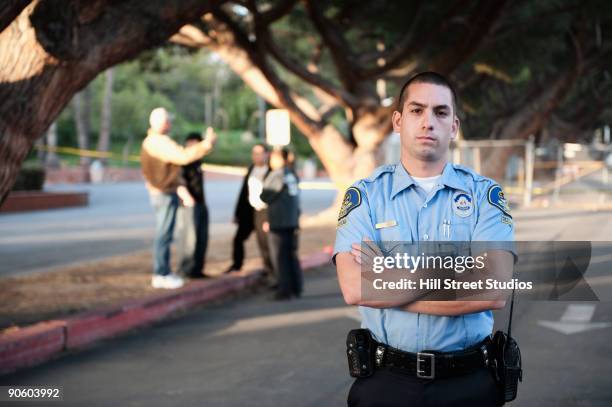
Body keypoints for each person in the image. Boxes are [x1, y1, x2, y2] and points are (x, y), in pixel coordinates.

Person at [334, 72, 515, 406]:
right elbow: (355, 287)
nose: (428, 122)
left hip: (468, 384)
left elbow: (494, 288)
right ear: (398, 122)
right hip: (386, 383)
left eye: (440, 112)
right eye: (417, 111)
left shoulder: (486, 195)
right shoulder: (366, 196)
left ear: (454, 126)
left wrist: (388, 277)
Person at [141, 107, 217, 289]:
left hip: (162, 192)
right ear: (163, 123)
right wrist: (206, 144)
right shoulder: (158, 142)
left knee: (165, 234)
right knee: (164, 234)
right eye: (168, 121)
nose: (171, 124)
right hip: (164, 193)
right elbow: (182, 156)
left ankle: (164, 271)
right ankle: (161, 273)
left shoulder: (152, 141)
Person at [224, 143, 274, 284]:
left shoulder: (271, 171)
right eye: (254, 153)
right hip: (249, 211)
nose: (257, 156)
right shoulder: (251, 169)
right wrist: (237, 213)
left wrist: (270, 217)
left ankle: (270, 270)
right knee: (238, 239)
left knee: (264, 242)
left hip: (264, 212)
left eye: (260, 153)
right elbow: (243, 193)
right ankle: (236, 264)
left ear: (267, 154)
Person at [261, 148, 302, 300]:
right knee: (291, 255)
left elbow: (265, 195)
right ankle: (296, 287)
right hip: (292, 220)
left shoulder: (276, 175)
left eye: (273, 158)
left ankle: (284, 289)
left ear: (280, 159)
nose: (270, 161)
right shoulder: (291, 174)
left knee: (279, 256)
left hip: (279, 221)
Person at [176, 132, 210, 279]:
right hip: (188, 205)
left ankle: (197, 269)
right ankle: (185, 270)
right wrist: (187, 197)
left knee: (202, 238)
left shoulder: (198, 162)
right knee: (189, 240)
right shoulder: (182, 161)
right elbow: (178, 182)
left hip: (201, 203)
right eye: (192, 144)